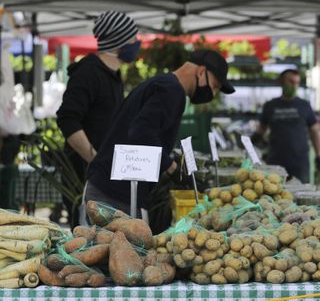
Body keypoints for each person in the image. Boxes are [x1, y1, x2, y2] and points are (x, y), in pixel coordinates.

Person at [84, 49, 235, 220]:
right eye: (214, 86)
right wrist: (173, 168)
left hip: (108, 188)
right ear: (201, 72)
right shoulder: (171, 91)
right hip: (115, 195)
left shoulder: (162, 84)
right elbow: (141, 132)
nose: (212, 94)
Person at [56, 11, 140, 228]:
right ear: (119, 41)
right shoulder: (88, 72)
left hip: (104, 176)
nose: (136, 43)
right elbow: (67, 118)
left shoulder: (113, 75)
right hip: (84, 178)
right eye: (133, 38)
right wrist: (94, 159)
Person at [253, 69, 320, 183]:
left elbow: (314, 131)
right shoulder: (270, 106)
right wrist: (249, 143)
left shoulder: (304, 105)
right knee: (274, 194)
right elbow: (261, 130)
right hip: (275, 162)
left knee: (300, 195)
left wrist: (318, 155)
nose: (294, 86)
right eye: (290, 82)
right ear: (281, 82)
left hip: (299, 163)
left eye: (297, 83)